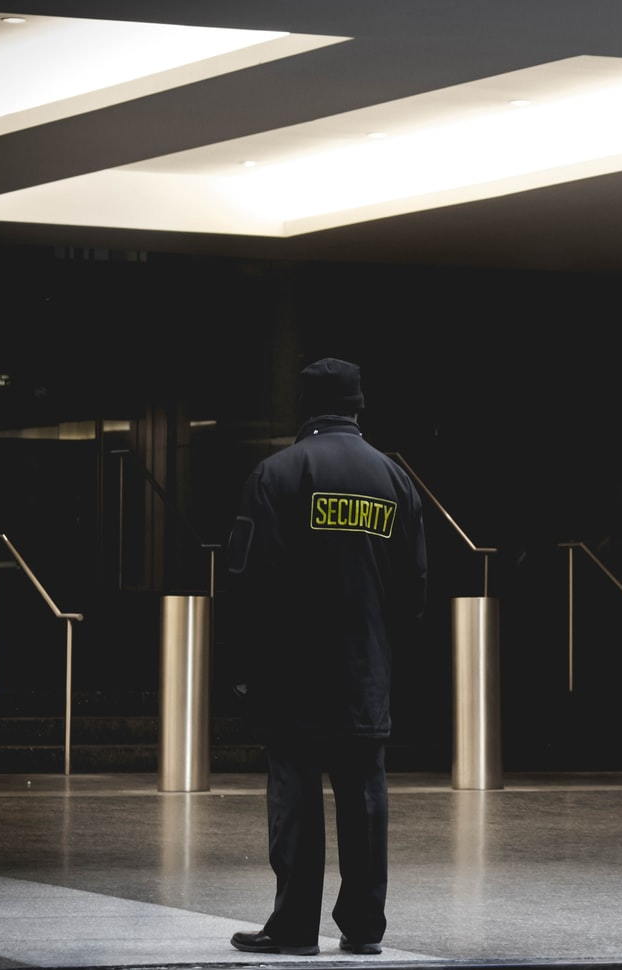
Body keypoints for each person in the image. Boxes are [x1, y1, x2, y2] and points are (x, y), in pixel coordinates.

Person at [226, 357, 428, 957]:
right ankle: (364, 928)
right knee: (366, 798)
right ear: (359, 404)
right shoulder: (396, 480)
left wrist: (245, 670)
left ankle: (293, 927)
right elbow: (414, 591)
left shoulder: (276, 474)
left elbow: (247, 583)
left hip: (293, 676)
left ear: (305, 405)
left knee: (295, 798)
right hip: (366, 672)